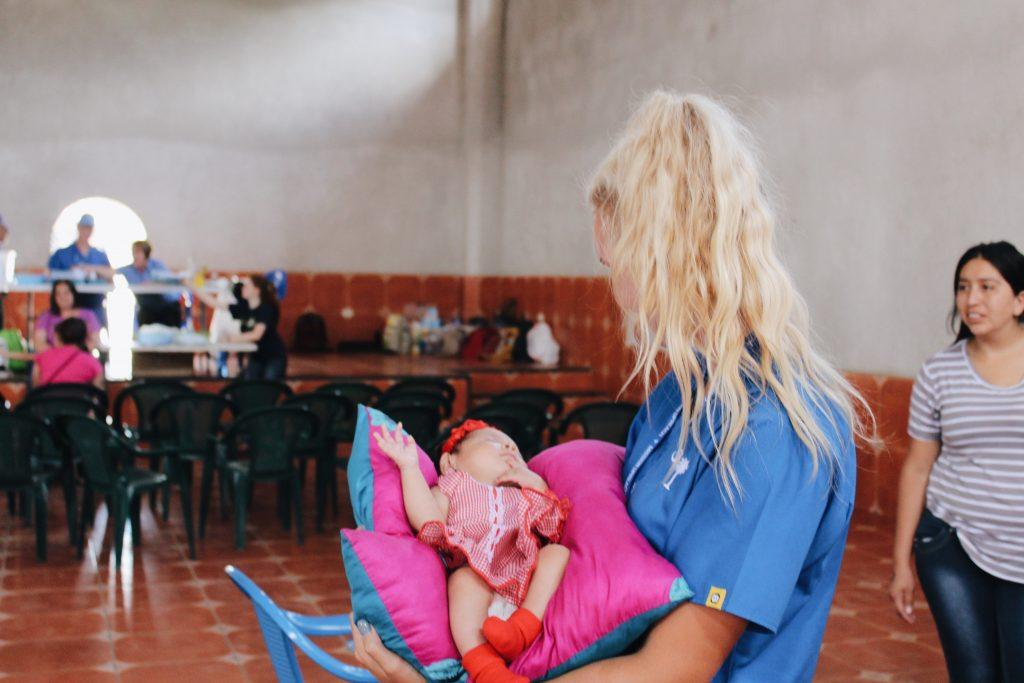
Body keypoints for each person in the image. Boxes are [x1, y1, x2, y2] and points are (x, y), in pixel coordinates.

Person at [350, 91, 869, 682]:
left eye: (612, 263)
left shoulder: (775, 432)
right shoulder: (682, 394)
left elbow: (669, 671)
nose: (615, 287)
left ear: (657, 255)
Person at [890, 241, 1024, 681]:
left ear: (1020, 299)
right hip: (951, 544)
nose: (972, 299)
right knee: (973, 674)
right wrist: (899, 563)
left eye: (988, 287)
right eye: (963, 287)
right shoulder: (939, 371)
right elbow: (917, 466)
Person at [375, 419, 569, 683]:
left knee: (556, 553)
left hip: (522, 587)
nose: (509, 448)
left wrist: (536, 484)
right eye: (493, 442)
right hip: (478, 590)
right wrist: (409, 468)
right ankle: (487, 669)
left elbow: (551, 527)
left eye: (513, 447)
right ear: (450, 462)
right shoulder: (455, 486)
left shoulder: (523, 494)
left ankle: (522, 630)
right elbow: (428, 518)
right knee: (462, 581)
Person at [193, 274, 287, 379]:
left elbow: (257, 334)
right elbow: (215, 304)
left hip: (273, 356)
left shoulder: (266, 308)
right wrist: (195, 288)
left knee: (270, 387)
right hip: (256, 355)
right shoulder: (245, 307)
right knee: (251, 384)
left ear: (256, 291)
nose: (243, 288)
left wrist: (231, 338)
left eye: (247, 286)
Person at [47, 213, 113, 320]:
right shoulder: (62, 253)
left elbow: (111, 275)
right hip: (69, 304)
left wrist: (92, 269)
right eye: (83, 227)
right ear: (78, 227)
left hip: (94, 303)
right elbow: (49, 274)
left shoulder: (99, 255)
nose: (86, 231)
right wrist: (70, 274)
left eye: (89, 228)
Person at [117, 240, 182, 326]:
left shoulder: (157, 266)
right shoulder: (129, 269)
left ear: (146, 255)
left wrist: (152, 283)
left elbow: (171, 280)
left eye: (138, 252)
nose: (135, 255)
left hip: (167, 307)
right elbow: (111, 272)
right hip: (147, 311)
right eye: (134, 252)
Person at [32, 317, 103, 388]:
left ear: (58, 336)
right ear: (85, 338)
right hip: (78, 398)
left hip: (47, 398)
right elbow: (98, 391)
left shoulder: (43, 357)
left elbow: (36, 386)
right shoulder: (92, 362)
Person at [34, 280, 100, 352]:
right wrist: (60, 355)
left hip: (81, 358)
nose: (62, 297)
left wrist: (74, 355)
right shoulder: (46, 316)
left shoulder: (87, 315)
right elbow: (39, 343)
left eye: (66, 293)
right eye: (58, 294)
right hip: (54, 358)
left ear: (73, 294)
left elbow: (94, 341)